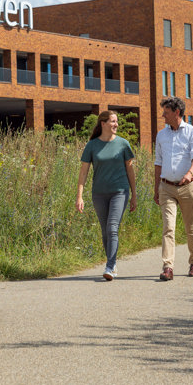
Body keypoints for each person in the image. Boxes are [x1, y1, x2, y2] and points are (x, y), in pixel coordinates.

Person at [76, 110, 137, 281]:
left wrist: (134, 194)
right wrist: (79, 196)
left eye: (117, 121)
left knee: (112, 227)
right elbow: (83, 173)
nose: (116, 124)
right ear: (103, 124)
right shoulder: (92, 146)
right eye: (112, 121)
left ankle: (110, 266)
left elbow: (130, 171)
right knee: (105, 231)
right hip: (99, 193)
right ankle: (112, 263)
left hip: (120, 191)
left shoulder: (124, 144)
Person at [154, 97, 193, 281]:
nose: (162, 115)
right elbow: (158, 162)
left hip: (187, 187)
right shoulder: (161, 135)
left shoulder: (192, 133)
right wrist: (156, 188)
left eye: (166, 112)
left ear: (176, 112)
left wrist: (189, 173)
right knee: (168, 228)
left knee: (191, 227)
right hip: (166, 187)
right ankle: (168, 267)